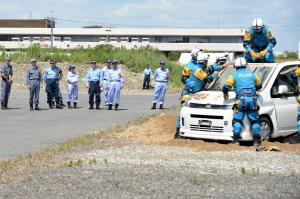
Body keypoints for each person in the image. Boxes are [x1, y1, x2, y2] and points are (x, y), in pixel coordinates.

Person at [174, 53, 228, 138]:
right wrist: (216, 75)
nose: (207, 63)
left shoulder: (201, 68)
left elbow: (211, 68)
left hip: (195, 92)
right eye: (206, 61)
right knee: (184, 112)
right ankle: (178, 132)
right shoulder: (198, 70)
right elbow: (208, 78)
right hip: (189, 94)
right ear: (203, 62)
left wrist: (222, 66)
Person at [222, 57, 262, 147]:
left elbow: (226, 86)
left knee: (237, 120)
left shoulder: (233, 75)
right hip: (253, 100)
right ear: (245, 65)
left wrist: (225, 94)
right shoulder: (253, 74)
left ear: (235, 66)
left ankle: (236, 140)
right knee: (255, 121)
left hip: (240, 101)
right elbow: (259, 85)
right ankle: (256, 141)